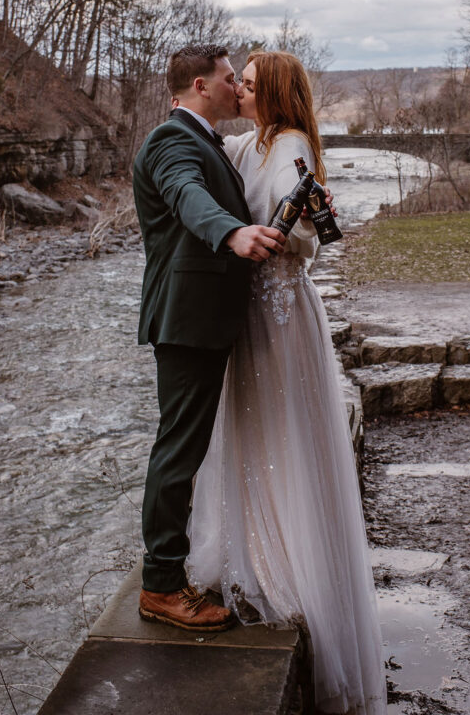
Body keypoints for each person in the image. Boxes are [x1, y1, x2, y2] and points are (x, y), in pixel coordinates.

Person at [187, 51, 387, 715]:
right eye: (236, 83)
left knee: (282, 429)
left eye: (247, 85)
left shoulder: (292, 145)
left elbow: (305, 235)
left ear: (270, 93)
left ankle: (287, 567)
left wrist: (303, 223)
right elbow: (216, 153)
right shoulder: (256, 142)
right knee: (249, 427)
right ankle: (255, 544)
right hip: (250, 311)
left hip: (278, 312)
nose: (239, 92)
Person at [132, 44, 286, 632]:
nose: (237, 87)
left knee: (185, 446)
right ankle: (162, 586)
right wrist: (231, 234)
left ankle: (168, 573)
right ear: (200, 85)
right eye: (229, 79)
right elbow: (187, 196)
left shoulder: (210, 140)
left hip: (205, 317)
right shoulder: (173, 141)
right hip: (187, 320)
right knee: (179, 449)